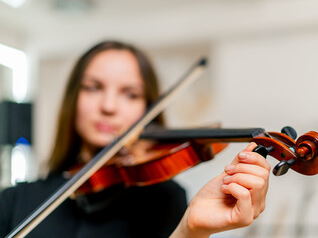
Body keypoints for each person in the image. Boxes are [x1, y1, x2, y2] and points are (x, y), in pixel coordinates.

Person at [0, 41, 270, 238]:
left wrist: (190, 232)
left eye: (130, 94)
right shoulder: (17, 201)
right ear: (74, 100)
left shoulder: (166, 201)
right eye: (93, 87)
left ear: (147, 108)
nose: (108, 106)